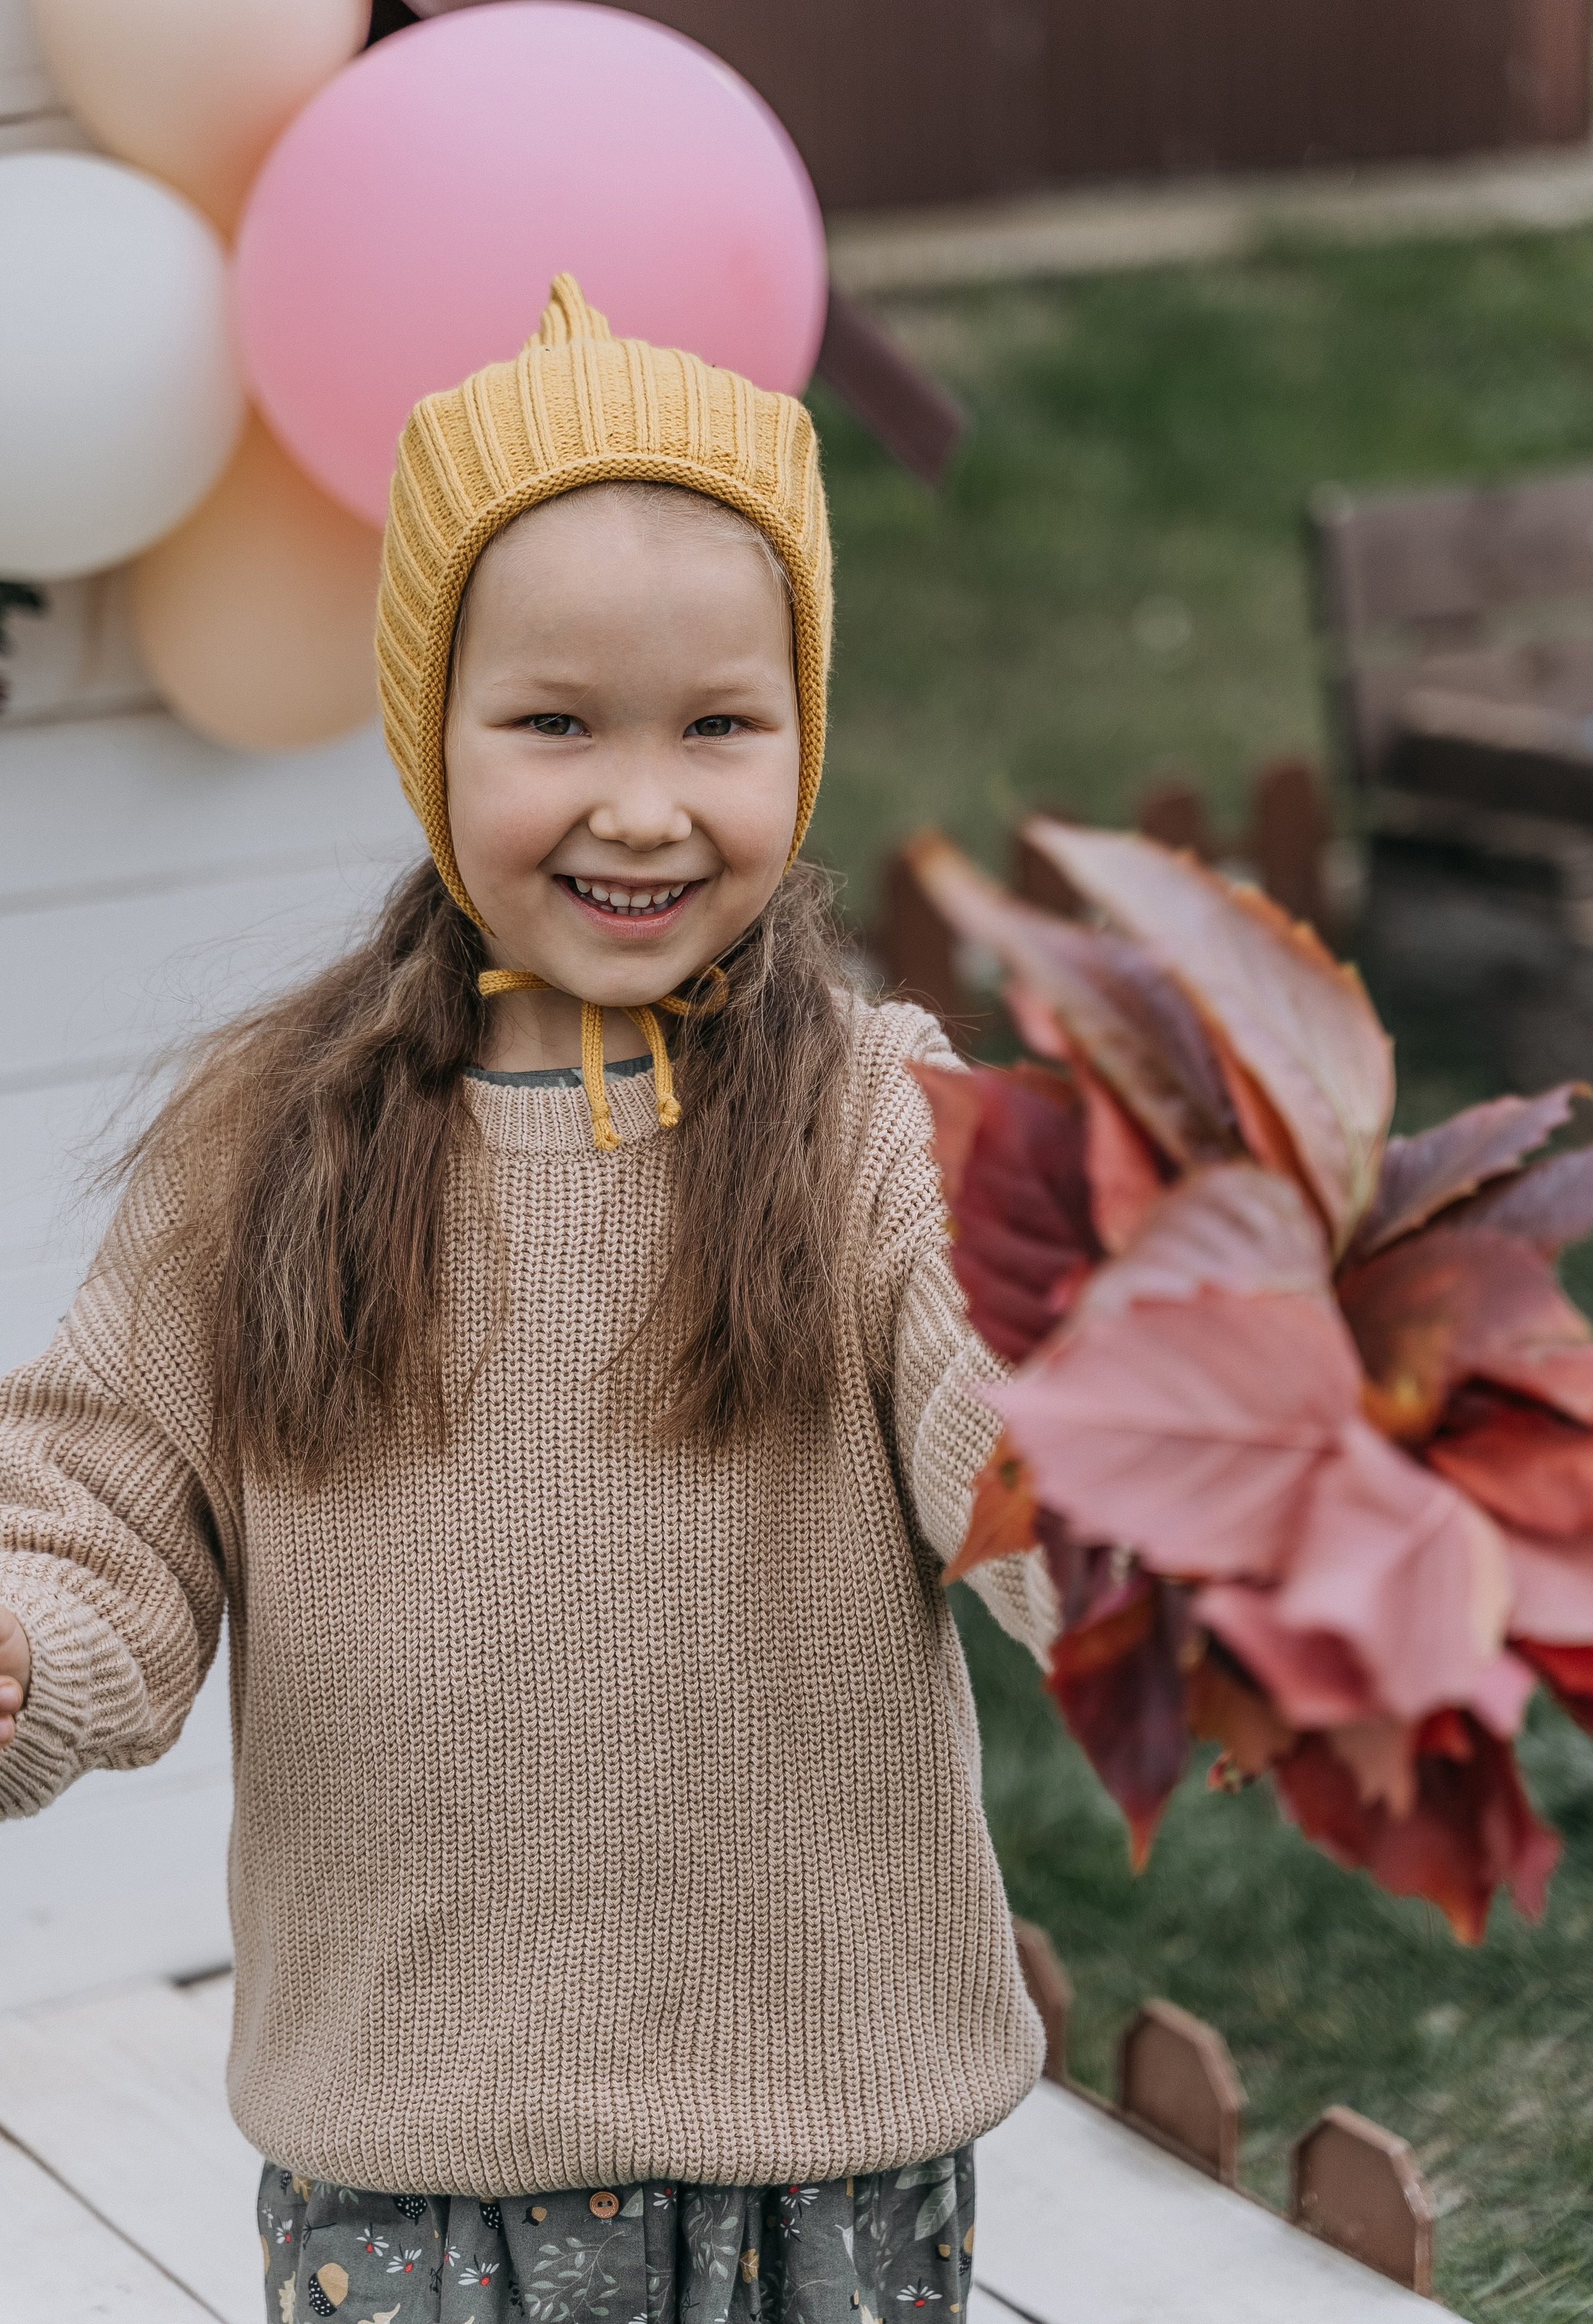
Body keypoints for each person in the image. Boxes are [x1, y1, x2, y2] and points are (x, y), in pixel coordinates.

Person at [0, 276, 1055, 2324]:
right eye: (557, 724)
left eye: (720, 727)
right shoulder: (266, 1153)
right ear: (430, 732)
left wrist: (1152, 1515)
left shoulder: (877, 1124)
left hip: (826, 2127)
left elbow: (1003, 1416)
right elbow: (104, 1505)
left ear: (802, 733)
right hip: (415, 2156)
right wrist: (27, 1638)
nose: (644, 804)